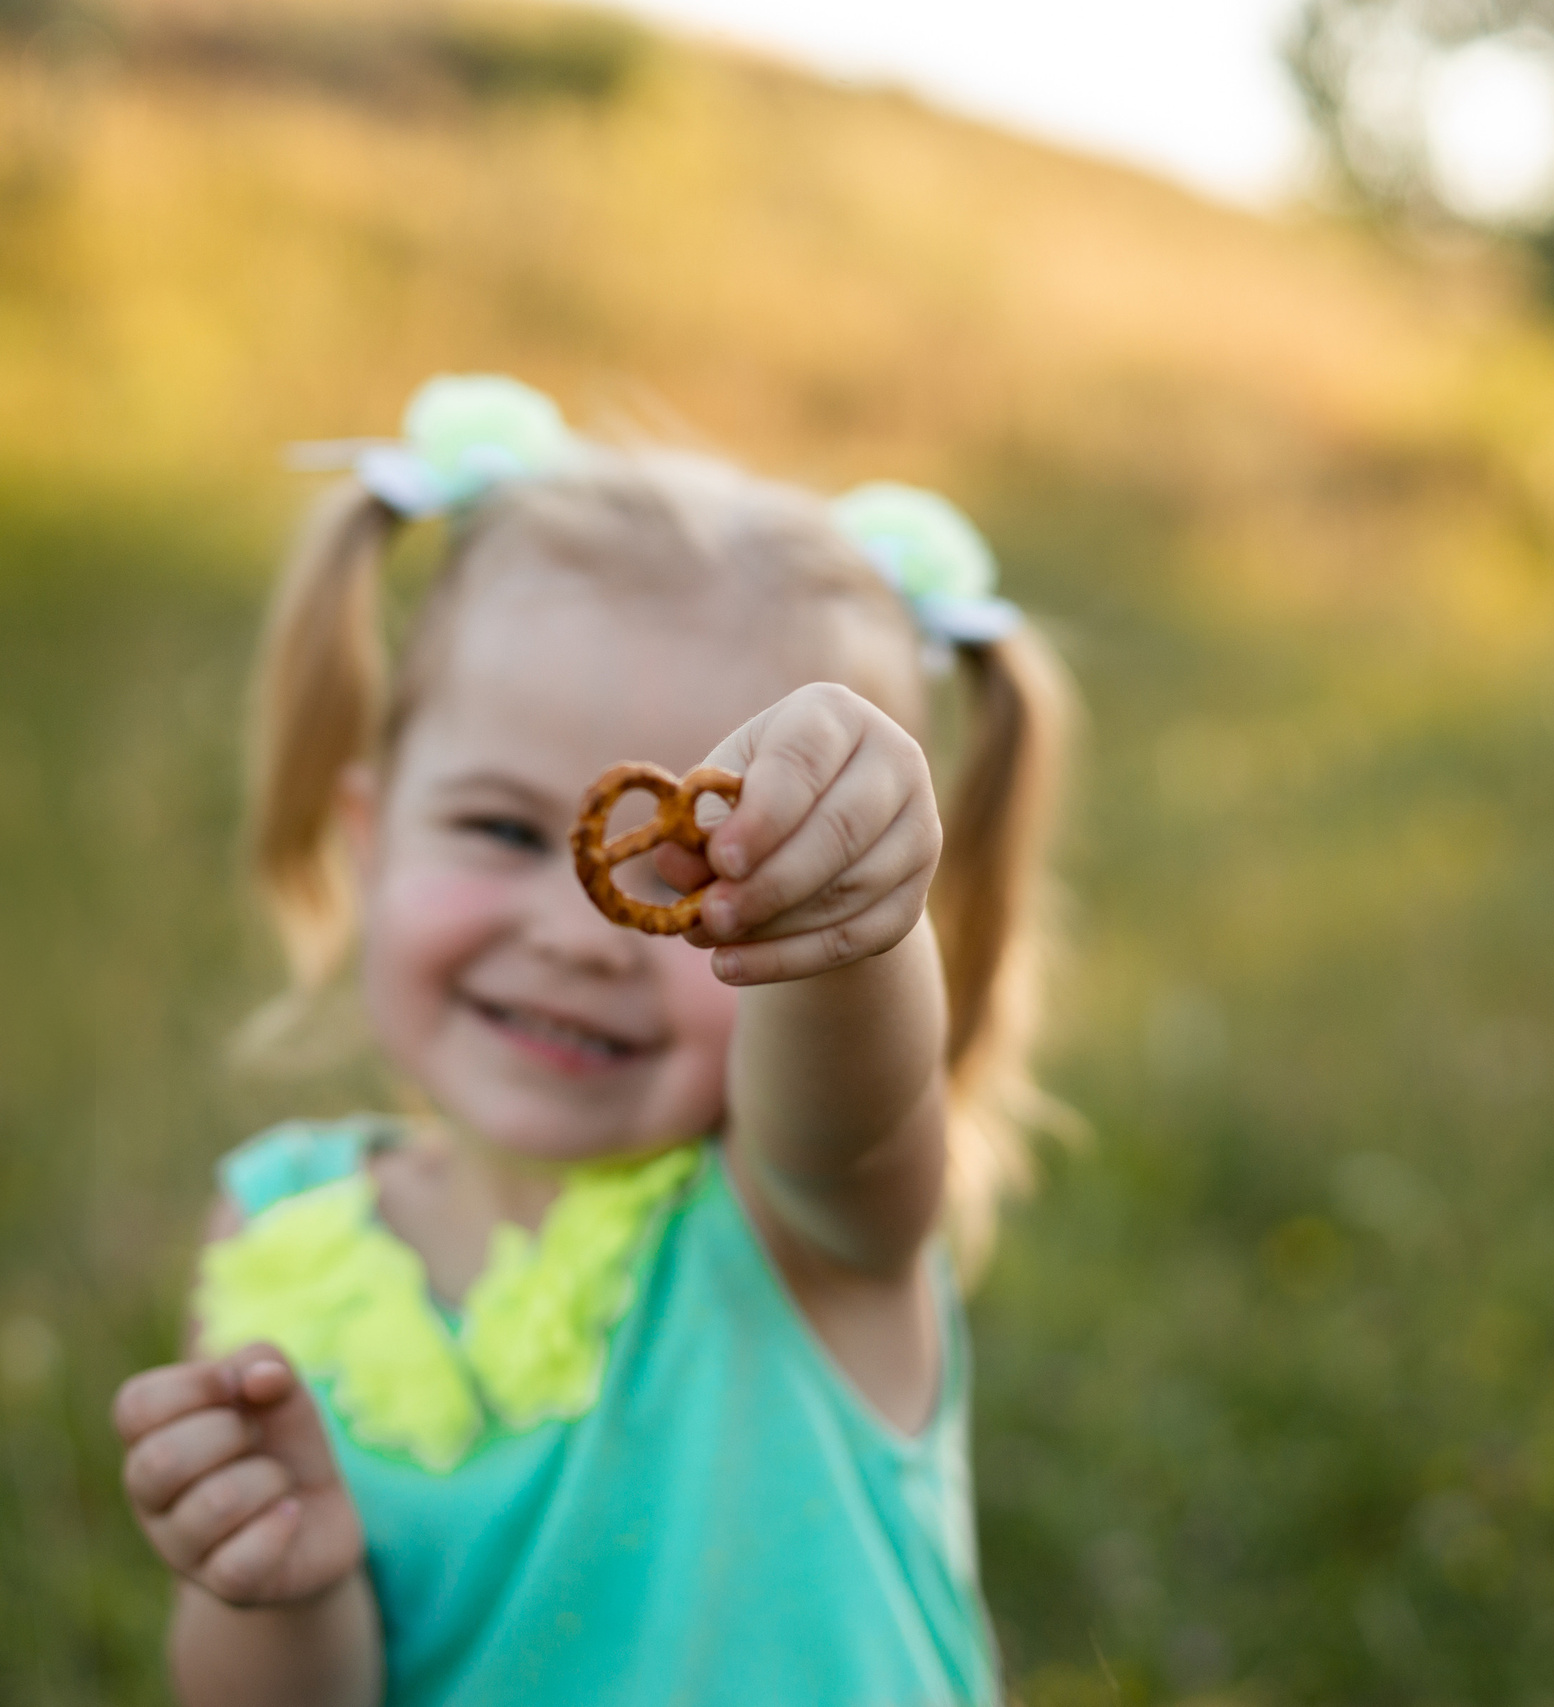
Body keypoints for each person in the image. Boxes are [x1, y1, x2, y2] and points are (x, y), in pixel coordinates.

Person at [110, 375, 1073, 1707]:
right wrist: (274, 1581)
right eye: (501, 833)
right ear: (368, 840)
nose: (583, 936)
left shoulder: (800, 1225)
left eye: (703, 871)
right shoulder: (273, 1237)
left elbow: (852, 1099)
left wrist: (851, 927)